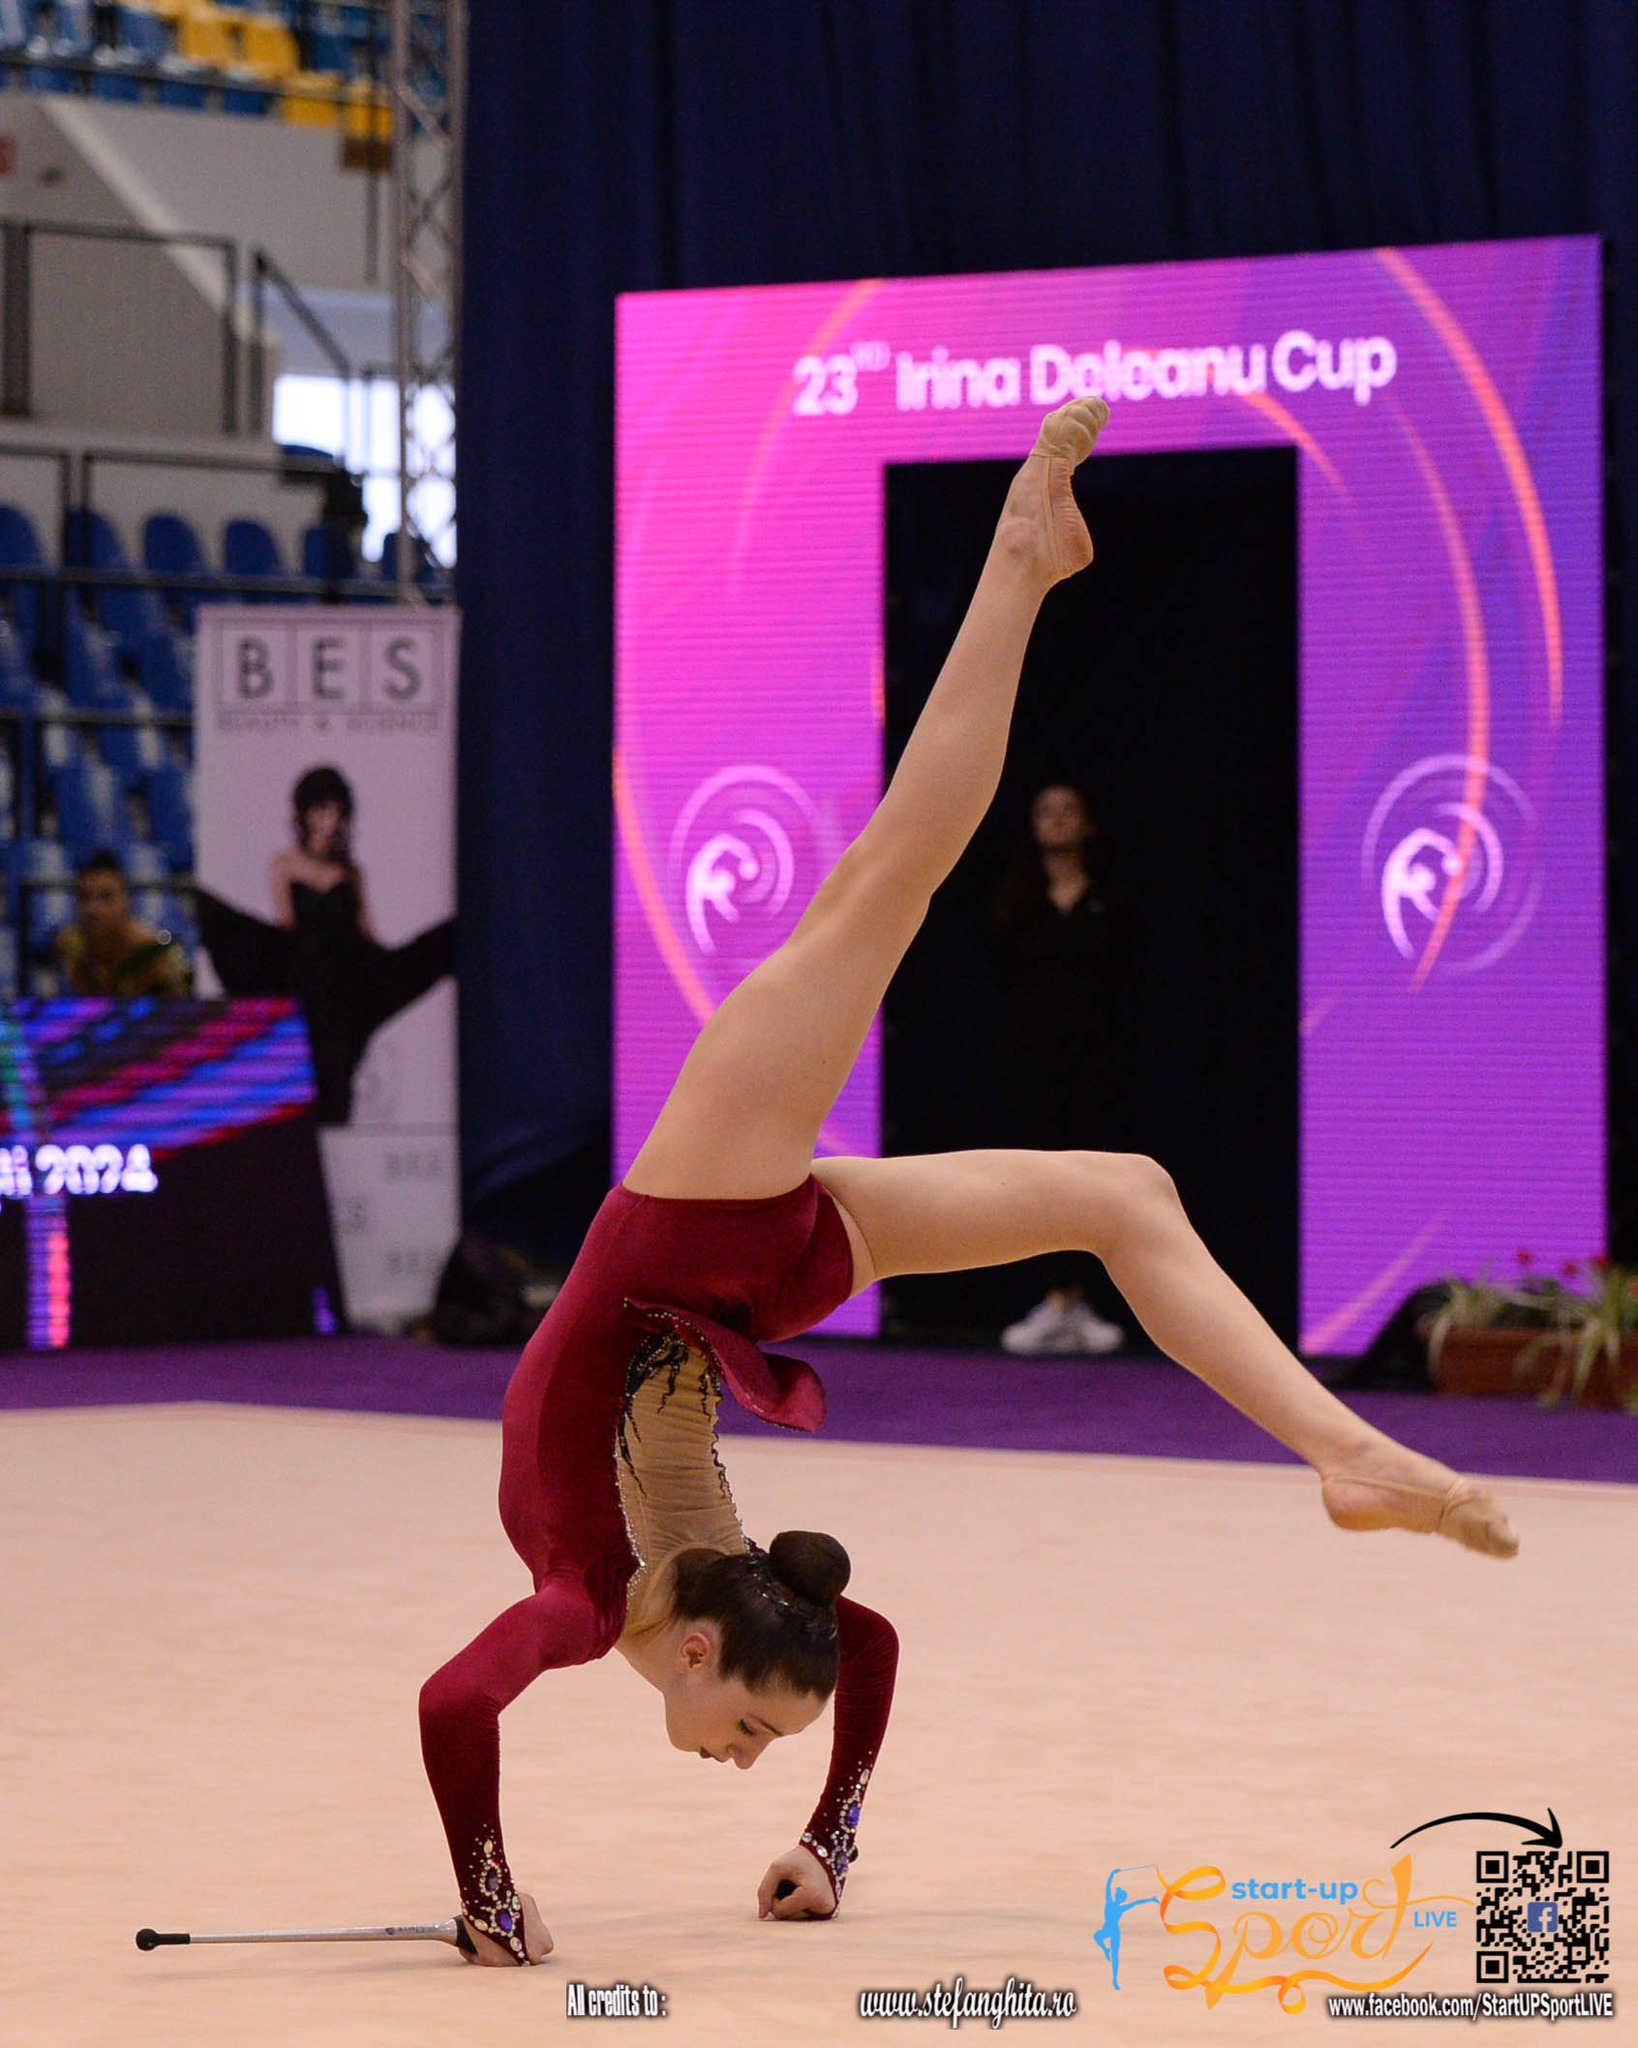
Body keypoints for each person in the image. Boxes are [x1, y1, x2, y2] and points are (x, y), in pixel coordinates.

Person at [419, 396, 1518, 1967]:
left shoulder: (586, 1606)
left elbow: (452, 1699)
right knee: (1123, 1187)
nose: (745, 1758)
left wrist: (485, 1894)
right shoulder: (719, 1606)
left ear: (702, 1652)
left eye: (750, 1734)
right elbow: (859, 1639)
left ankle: (1018, 553)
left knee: (892, 882)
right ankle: (1343, 1452)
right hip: (752, 1274)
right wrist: (827, 1844)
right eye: (771, 1743)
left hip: (692, 1233)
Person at [195, 765, 454, 1124]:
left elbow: (366, 930)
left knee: (341, 1062)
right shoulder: (284, 864)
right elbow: (287, 926)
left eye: (334, 813)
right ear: (304, 813)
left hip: (351, 977)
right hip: (310, 975)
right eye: (320, 811)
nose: (327, 821)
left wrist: (394, 966)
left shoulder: (352, 872)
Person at [992, 781, 1126, 1354]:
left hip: (1097, 1063)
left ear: (1089, 824)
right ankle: (1051, 1299)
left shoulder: (1111, 897)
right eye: (1046, 811)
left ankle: (1084, 1300)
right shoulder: (1015, 899)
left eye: (1070, 810)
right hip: (1030, 1063)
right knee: (1038, 1180)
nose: (1058, 820)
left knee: (1092, 1180)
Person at [54, 849, 191, 998]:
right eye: (84, 897)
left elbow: (183, 1005)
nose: (93, 909)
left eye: (106, 897)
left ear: (126, 901)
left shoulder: (155, 952)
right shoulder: (70, 943)